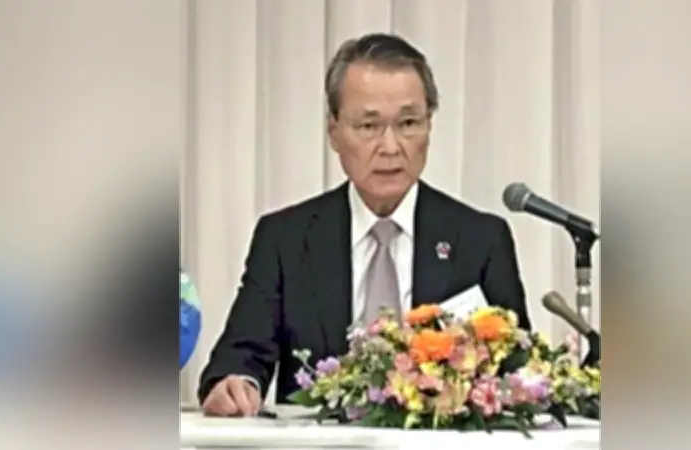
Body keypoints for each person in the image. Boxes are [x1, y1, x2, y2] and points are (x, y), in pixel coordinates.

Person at [198, 32, 531, 417]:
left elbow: (519, 376)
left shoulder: (481, 241)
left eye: (408, 123)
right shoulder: (285, 240)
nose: (390, 147)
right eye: (369, 126)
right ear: (334, 131)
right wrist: (235, 385)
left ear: (430, 126)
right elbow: (239, 358)